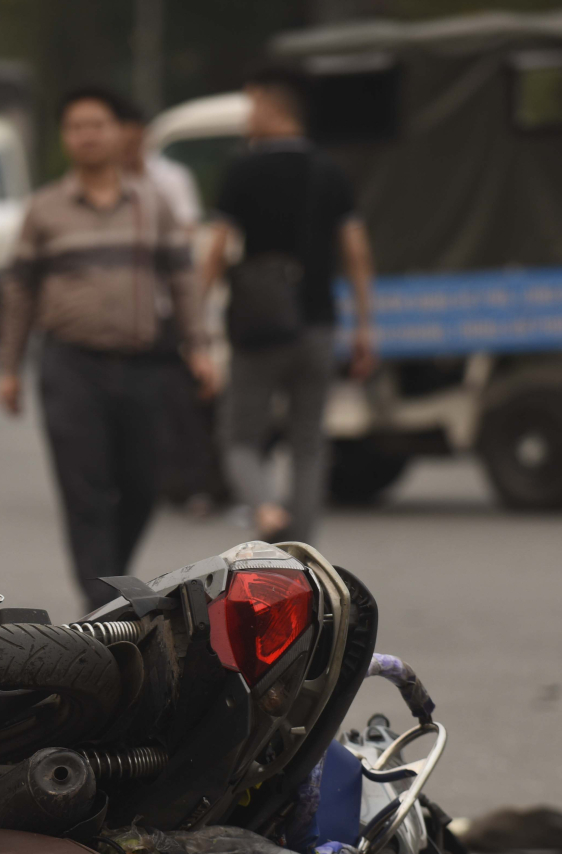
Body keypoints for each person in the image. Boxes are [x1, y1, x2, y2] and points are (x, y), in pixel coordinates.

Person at [0, 87, 215, 610]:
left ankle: (109, 583)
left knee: (142, 484)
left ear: (120, 133)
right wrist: (9, 368)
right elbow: (19, 289)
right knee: (84, 491)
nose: (88, 135)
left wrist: (199, 346)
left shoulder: (152, 204)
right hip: (71, 365)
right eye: (76, 127)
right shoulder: (45, 209)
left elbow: (183, 279)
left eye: (98, 124)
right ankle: (101, 606)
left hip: (144, 364)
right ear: (65, 138)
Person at [199, 65, 377, 544]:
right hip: (319, 324)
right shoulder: (331, 171)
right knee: (308, 443)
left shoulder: (243, 170)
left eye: (251, 106)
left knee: (239, 439)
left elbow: (214, 252)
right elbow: (356, 251)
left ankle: (266, 509)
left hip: (259, 327)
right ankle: (304, 546)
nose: (246, 117)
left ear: (271, 110)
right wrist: (365, 325)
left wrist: (195, 318)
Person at [114, 97, 219, 513]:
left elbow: (186, 237)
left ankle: (194, 484)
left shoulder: (170, 179)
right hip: (120, 311)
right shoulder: (103, 184)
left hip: (164, 306)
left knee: (180, 398)